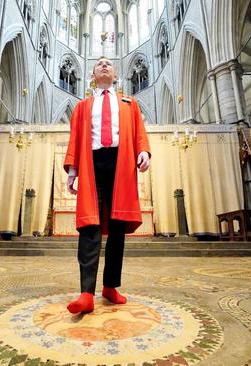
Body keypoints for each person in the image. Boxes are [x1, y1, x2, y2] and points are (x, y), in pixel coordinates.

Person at [64, 57, 151, 314]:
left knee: (117, 226)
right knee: (89, 225)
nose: (104, 65)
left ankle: (110, 286)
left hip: (120, 162)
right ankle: (86, 293)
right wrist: (72, 170)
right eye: (99, 63)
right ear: (92, 75)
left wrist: (144, 151)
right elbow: (76, 139)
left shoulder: (129, 104)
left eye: (109, 64)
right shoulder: (82, 106)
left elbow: (139, 133)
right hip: (92, 163)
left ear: (115, 76)